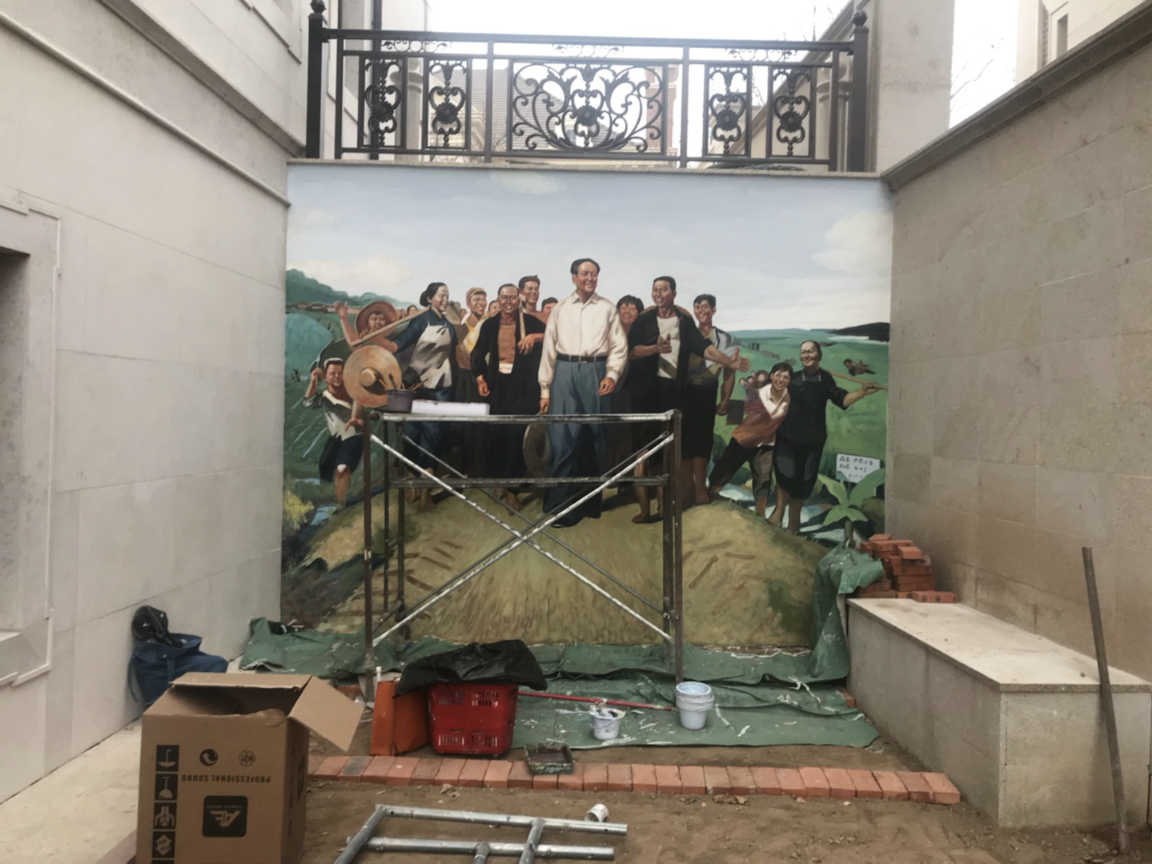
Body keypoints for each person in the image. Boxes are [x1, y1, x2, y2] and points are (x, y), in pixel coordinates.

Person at [626, 276, 748, 523]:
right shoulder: (644, 320)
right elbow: (632, 351)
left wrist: (729, 362)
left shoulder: (684, 322)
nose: (658, 294)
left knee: (670, 450)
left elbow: (705, 348)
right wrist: (655, 349)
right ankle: (645, 509)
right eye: (655, 290)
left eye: (664, 290)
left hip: (674, 393)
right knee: (644, 451)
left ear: (673, 293)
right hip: (647, 394)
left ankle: (665, 506)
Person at [537, 258, 628, 527]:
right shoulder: (561, 309)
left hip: (596, 372)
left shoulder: (607, 308)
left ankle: (590, 503)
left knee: (595, 438)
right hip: (564, 373)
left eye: (594, 274)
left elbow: (619, 346)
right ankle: (560, 507)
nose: (590, 278)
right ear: (574, 277)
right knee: (563, 440)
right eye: (585, 274)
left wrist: (611, 375)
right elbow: (549, 348)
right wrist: (545, 389)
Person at [770, 340, 879, 532]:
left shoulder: (826, 379)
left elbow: (843, 400)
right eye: (803, 352)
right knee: (785, 476)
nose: (806, 355)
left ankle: (793, 523)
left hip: (813, 441)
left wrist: (862, 392)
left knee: (804, 482)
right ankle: (778, 513)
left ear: (819, 355)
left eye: (810, 351)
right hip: (787, 438)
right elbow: (774, 393)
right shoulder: (793, 378)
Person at [471, 283, 546, 510]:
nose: (508, 302)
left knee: (517, 435)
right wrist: (480, 379)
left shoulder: (530, 323)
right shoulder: (490, 324)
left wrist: (534, 337)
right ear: (498, 299)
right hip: (497, 387)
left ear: (518, 300)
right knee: (497, 434)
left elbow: (553, 337)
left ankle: (513, 489)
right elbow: (477, 354)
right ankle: (500, 482)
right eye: (504, 298)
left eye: (513, 298)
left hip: (523, 388)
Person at [390, 282, 458, 508]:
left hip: (442, 385)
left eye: (447, 296)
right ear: (429, 298)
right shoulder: (420, 320)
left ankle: (425, 485)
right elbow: (399, 344)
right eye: (441, 295)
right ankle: (413, 477)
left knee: (434, 433)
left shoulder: (449, 325)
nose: (445, 300)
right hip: (417, 385)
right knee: (412, 433)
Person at [708, 363, 792, 515]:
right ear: (772, 376)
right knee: (726, 467)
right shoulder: (763, 392)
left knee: (763, 477)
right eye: (778, 375)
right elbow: (755, 409)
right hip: (744, 438)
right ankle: (712, 494)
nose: (781, 380)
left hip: (766, 442)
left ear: (789, 380)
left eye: (785, 377)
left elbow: (775, 414)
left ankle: (760, 512)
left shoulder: (787, 397)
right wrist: (725, 406)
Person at [683, 294, 736, 505]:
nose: (701, 311)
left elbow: (730, 372)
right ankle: (686, 488)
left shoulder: (725, 339)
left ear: (714, 310)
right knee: (683, 440)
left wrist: (725, 399)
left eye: (706, 307)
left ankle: (700, 489)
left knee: (703, 440)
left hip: (707, 390)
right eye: (697, 307)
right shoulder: (688, 334)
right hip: (683, 391)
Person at [302, 358, 362, 504]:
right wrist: (313, 381)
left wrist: (357, 419)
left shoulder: (352, 393)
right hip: (336, 438)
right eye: (332, 373)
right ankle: (334, 501)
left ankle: (341, 504)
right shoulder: (324, 396)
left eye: (340, 373)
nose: (337, 377)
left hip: (353, 437)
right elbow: (307, 402)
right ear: (325, 377)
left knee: (342, 469)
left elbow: (362, 410)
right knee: (325, 469)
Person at [333, 299, 398, 351]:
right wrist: (343, 318)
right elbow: (353, 343)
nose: (378, 322)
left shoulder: (391, 336)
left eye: (382, 319)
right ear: (368, 323)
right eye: (374, 319)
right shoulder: (364, 337)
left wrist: (374, 337)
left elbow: (393, 348)